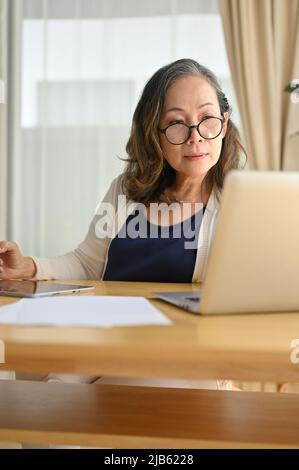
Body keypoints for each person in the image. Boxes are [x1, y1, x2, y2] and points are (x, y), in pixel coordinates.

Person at [0, 58, 245, 392]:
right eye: (177, 123)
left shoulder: (239, 203)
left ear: (225, 123)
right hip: (108, 333)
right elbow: (87, 262)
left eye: (207, 119)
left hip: (179, 349)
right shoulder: (128, 188)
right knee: (35, 377)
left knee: (67, 396)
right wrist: (27, 267)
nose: (195, 137)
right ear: (154, 133)